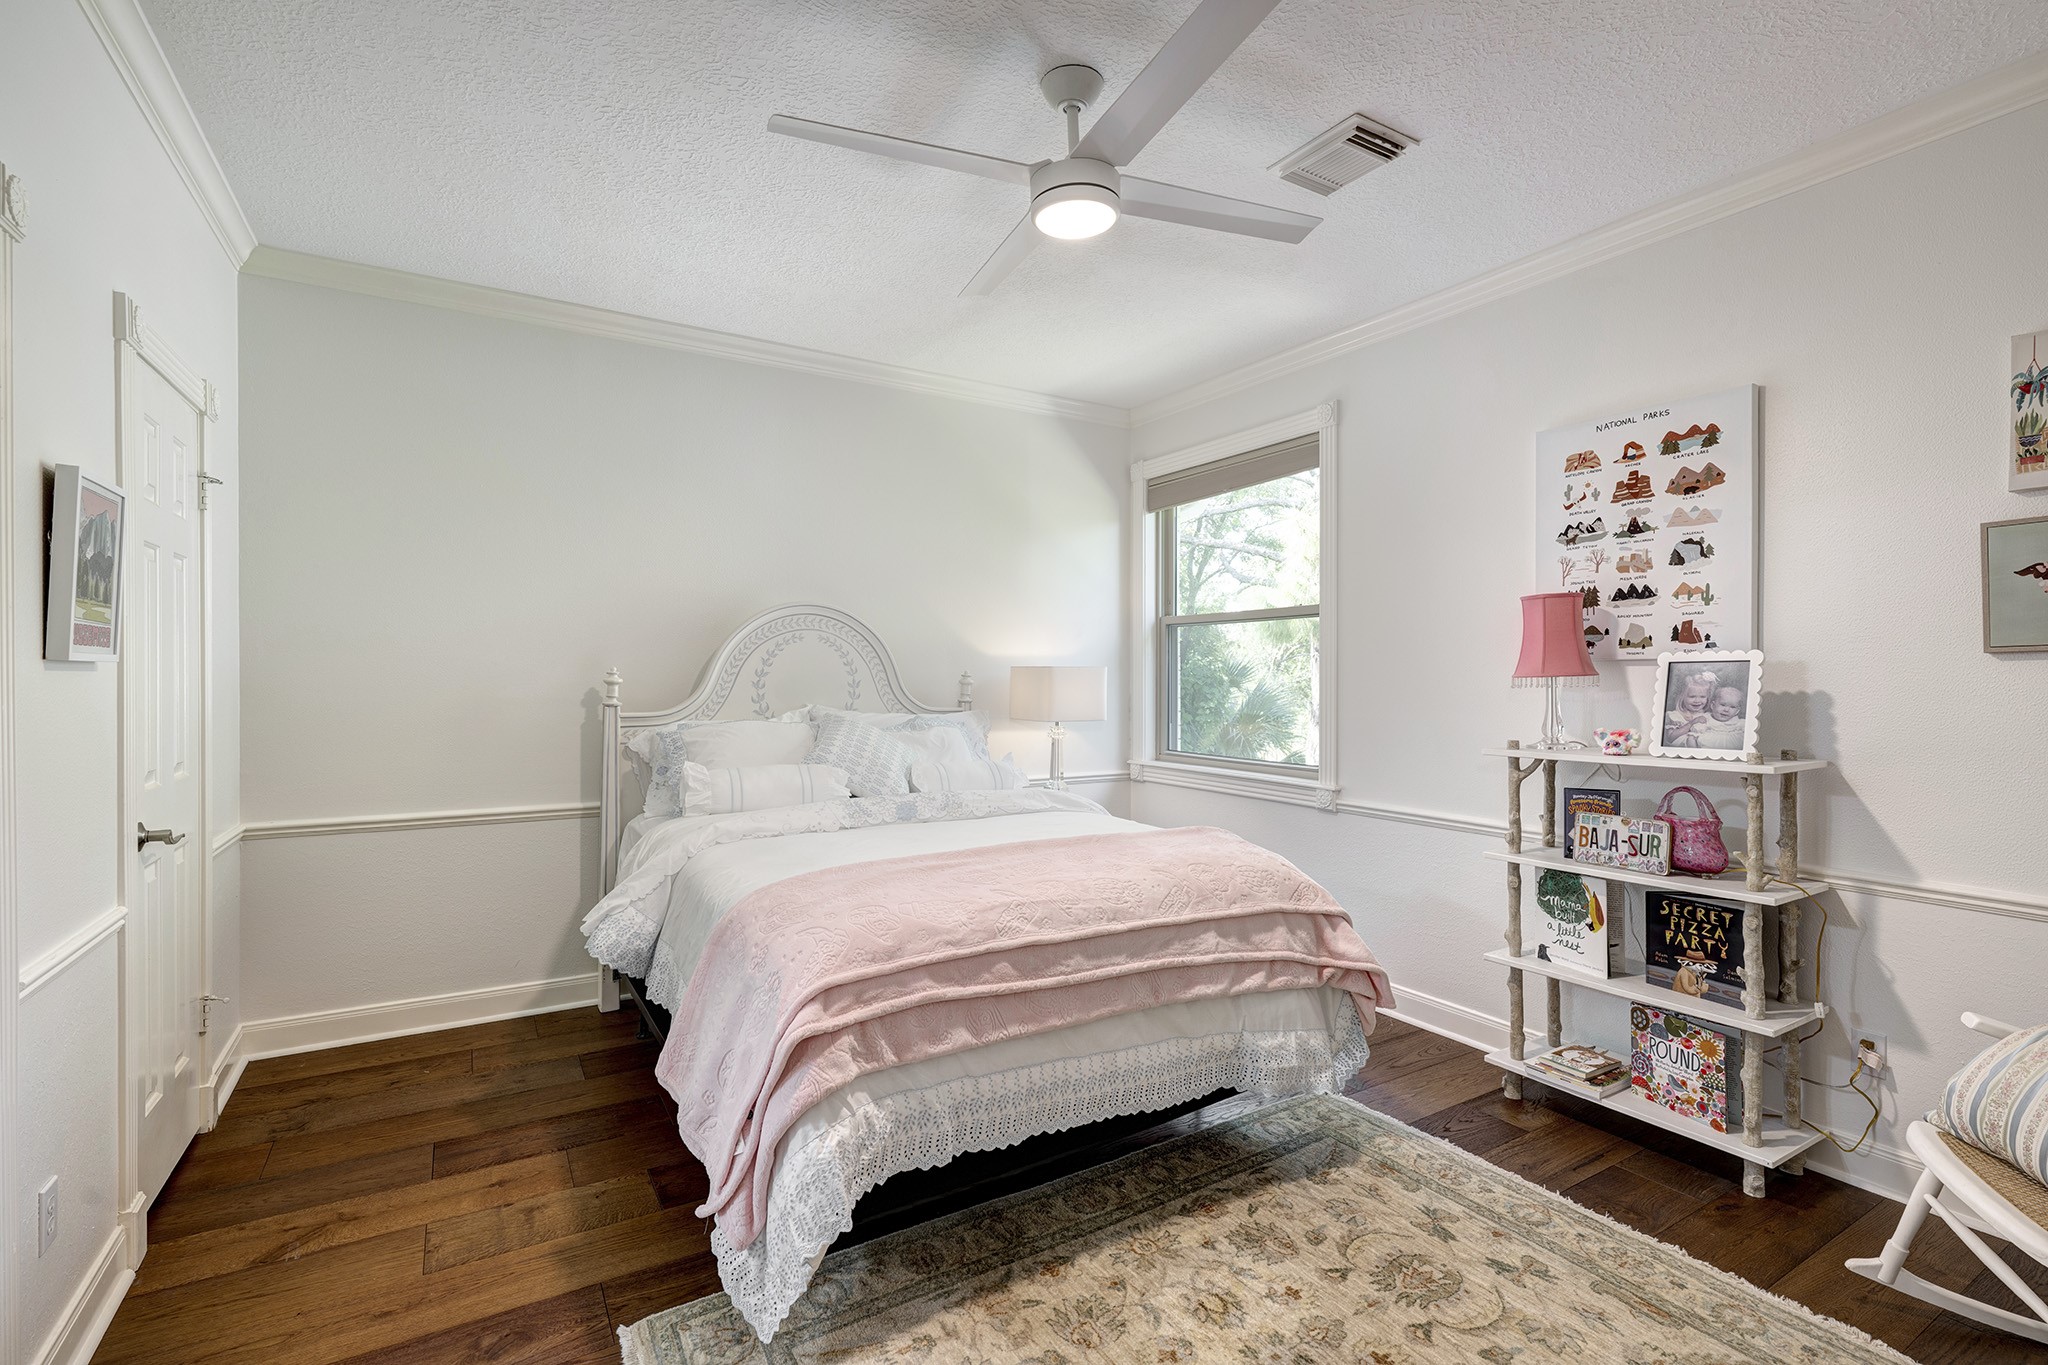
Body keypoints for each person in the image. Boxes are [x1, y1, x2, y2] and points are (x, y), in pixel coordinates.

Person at [1663, 670, 1716, 747]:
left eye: (1702, 697)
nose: (1697, 701)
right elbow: (1670, 738)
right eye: (1692, 696)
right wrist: (1692, 723)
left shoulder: (1708, 716)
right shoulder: (1675, 716)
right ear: (1682, 697)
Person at [1689, 685, 1747, 749]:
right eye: (1723, 705)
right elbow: (1694, 734)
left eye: (1732, 707)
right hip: (1709, 745)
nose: (1726, 710)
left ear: (1737, 711)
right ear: (1713, 705)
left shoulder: (1739, 723)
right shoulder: (1706, 718)